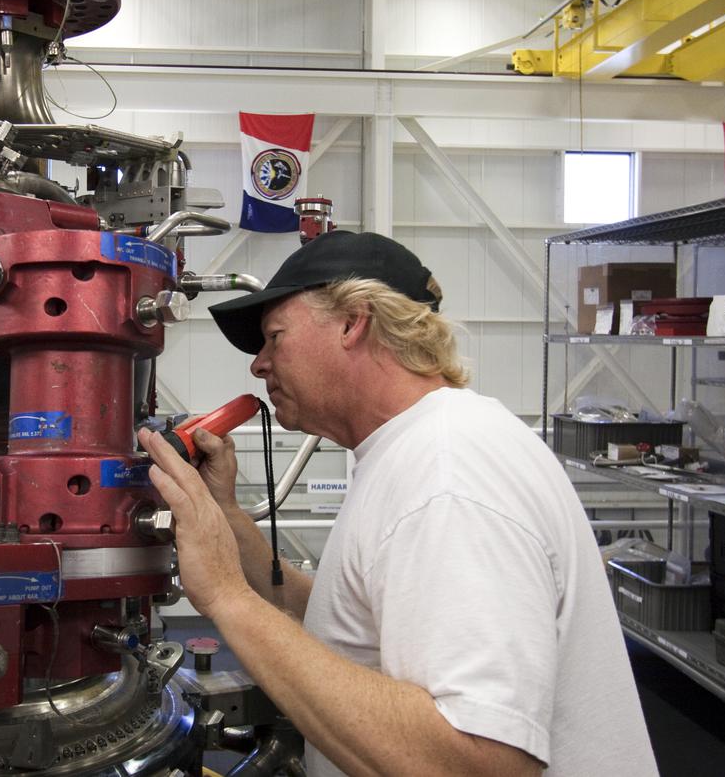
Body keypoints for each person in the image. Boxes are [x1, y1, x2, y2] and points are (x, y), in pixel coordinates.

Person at [137, 231, 658, 776]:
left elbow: (478, 764)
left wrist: (225, 598)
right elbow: (351, 622)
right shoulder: (423, 446)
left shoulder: (449, 475)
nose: (259, 365)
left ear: (352, 321)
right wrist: (227, 518)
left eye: (275, 337)